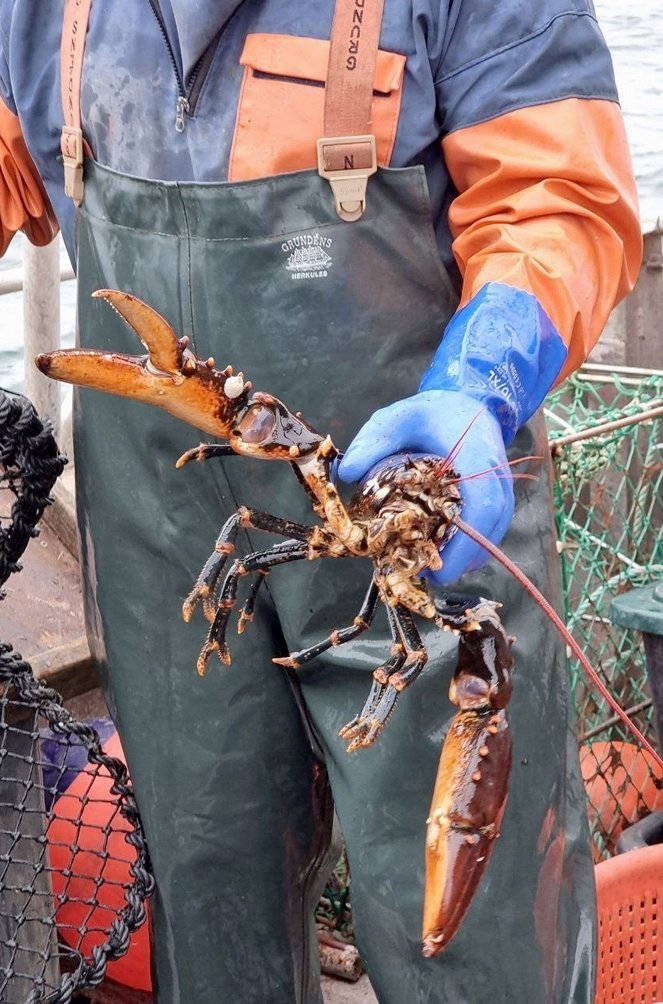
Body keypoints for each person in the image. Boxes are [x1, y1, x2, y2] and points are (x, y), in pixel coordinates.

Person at [0, 2, 641, 1002]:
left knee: (472, 937)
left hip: (430, 520)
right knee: (205, 886)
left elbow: (556, 196)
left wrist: (484, 378)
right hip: (162, 523)